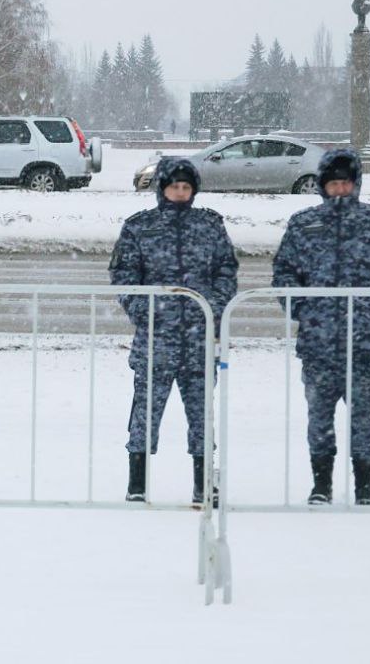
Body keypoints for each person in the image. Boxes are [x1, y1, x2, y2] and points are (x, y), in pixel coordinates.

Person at [272, 148, 370, 506]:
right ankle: (321, 483)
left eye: (346, 183)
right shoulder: (303, 222)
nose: (340, 189)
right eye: (333, 183)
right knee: (319, 419)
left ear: (356, 185)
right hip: (318, 344)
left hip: (367, 345)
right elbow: (284, 271)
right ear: (323, 186)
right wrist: (303, 308)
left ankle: (364, 485)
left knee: (364, 423)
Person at [110, 157, 238, 505]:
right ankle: (137, 484)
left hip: (199, 339)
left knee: (202, 415)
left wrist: (211, 307)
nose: (180, 193)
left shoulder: (210, 225)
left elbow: (226, 271)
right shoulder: (139, 227)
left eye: (186, 187)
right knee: (145, 415)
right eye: (173, 187)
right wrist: (146, 312)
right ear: (161, 188)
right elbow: (124, 277)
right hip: (156, 340)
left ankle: (203, 484)